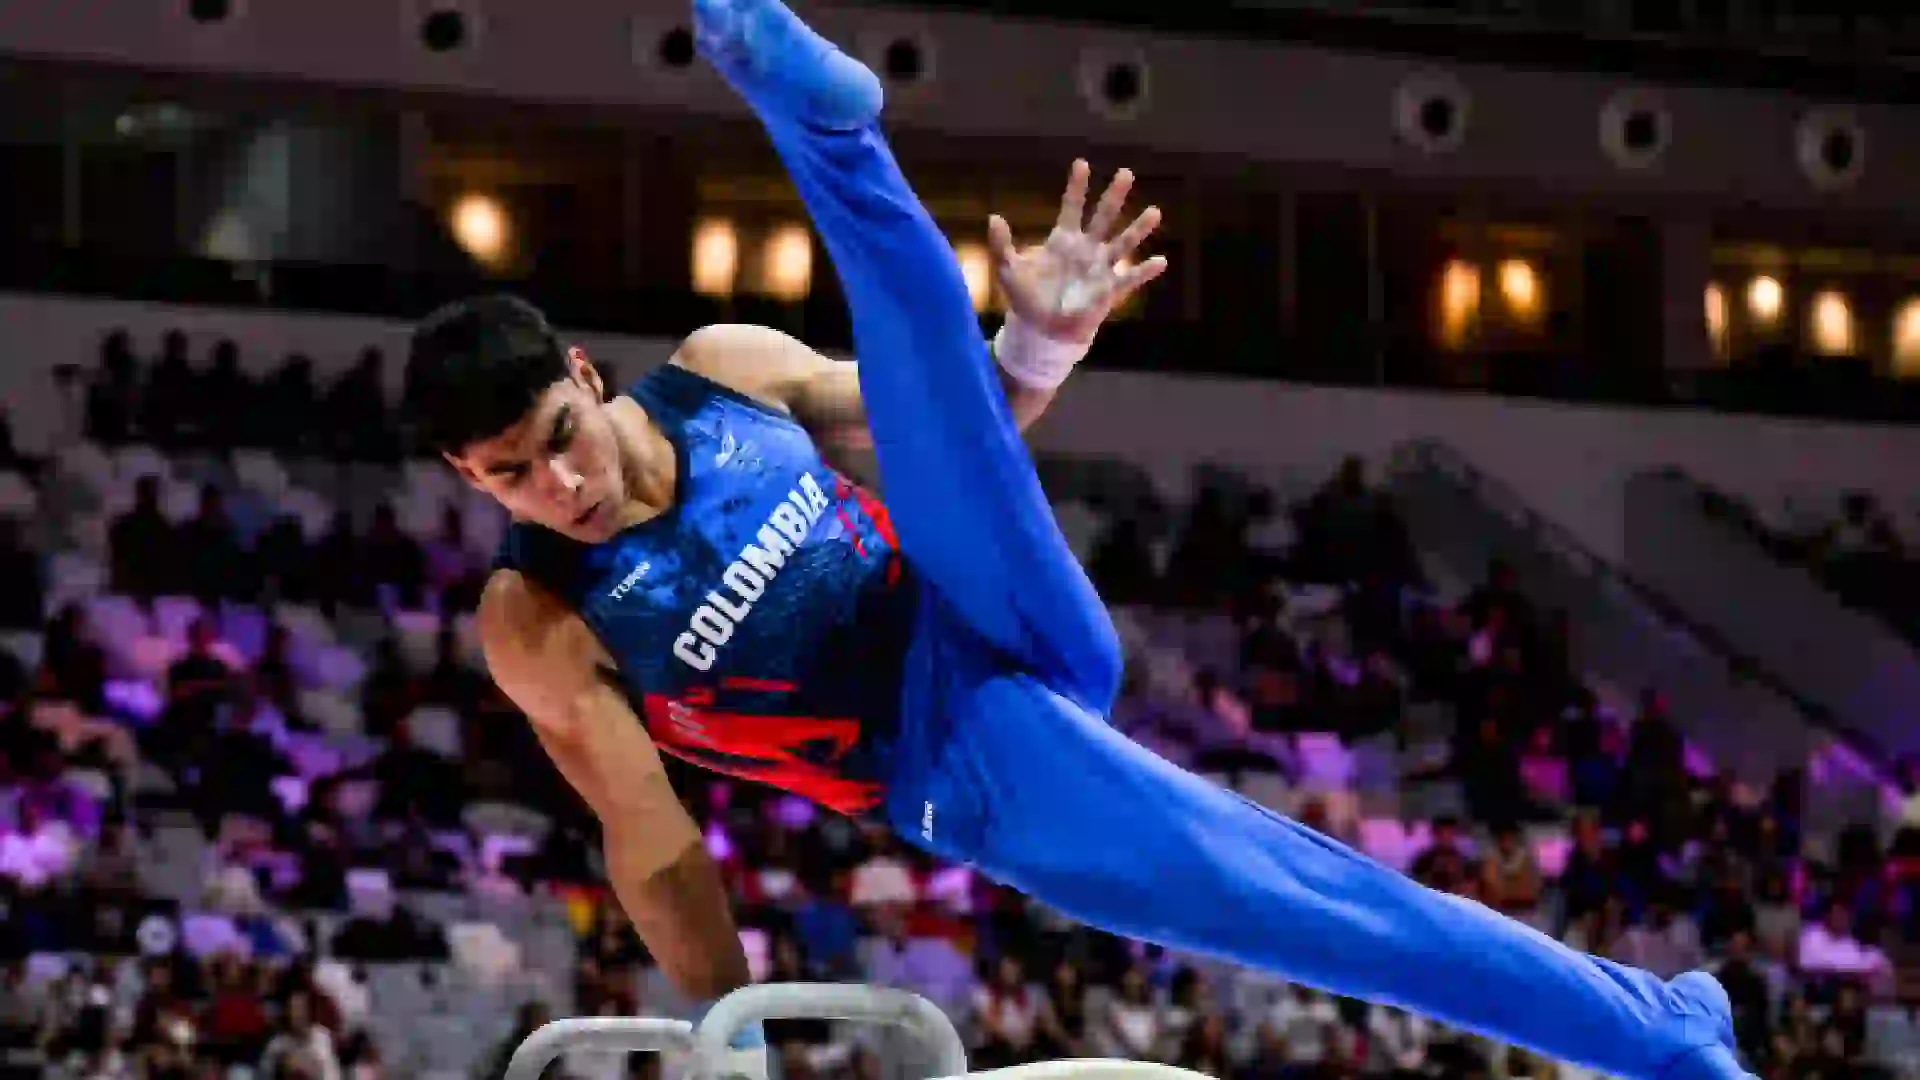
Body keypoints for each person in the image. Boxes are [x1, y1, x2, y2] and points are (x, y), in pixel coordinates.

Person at [399, 2, 1749, 1078]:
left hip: (988, 598)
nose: (555, 485)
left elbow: (956, 425)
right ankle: (1661, 1027)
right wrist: (729, 1030)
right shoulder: (542, 620)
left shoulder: (721, 368)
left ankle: (819, 120)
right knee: (1307, 904)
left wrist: (1037, 344)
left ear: (581, 372)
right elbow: (654, 841)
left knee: (930, 375)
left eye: (556, 437)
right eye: (505, 479)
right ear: (472, 478)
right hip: (946, 758)